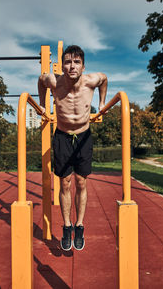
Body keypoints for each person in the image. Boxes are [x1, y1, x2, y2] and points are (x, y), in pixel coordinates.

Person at [38, 45, 107, 251]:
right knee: (65, 183)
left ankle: (80, 225)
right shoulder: (55, 81)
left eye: (76, 62)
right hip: (62, 136)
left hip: (84, 135)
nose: (72, 66)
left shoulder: (91, 81)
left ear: (83, 66)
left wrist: (102, 103)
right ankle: (67, 226)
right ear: (63, 65)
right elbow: (41, 80)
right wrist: (43, 105)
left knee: (81, 182)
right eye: (68, 61)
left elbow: (104, 78)